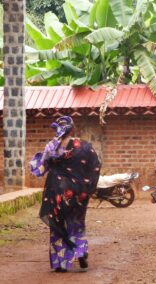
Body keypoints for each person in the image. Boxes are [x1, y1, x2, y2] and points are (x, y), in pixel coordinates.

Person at [30, 116, 101, 272]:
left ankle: (61, 263)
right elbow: (96, 166)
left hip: (56, 191)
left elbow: (40, 170)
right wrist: (89, 188)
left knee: (58, 225)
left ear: (57, 130)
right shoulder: (84, 146)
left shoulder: (51, 147)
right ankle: (80, 250)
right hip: (78, 192)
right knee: (76, 222)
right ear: (72, 129)